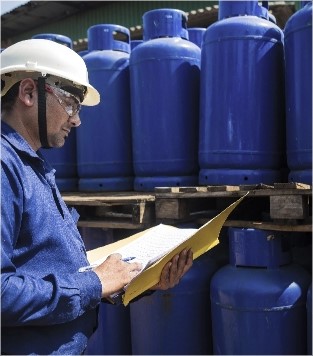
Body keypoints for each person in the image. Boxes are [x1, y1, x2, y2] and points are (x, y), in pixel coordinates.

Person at [1, 39, 193, 355]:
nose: (76, 119)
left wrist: (136, 280)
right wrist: (97, 283)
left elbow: (46, 269)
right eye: (71, 103)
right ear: (28, 93)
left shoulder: (32, 167)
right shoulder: (4, 167)